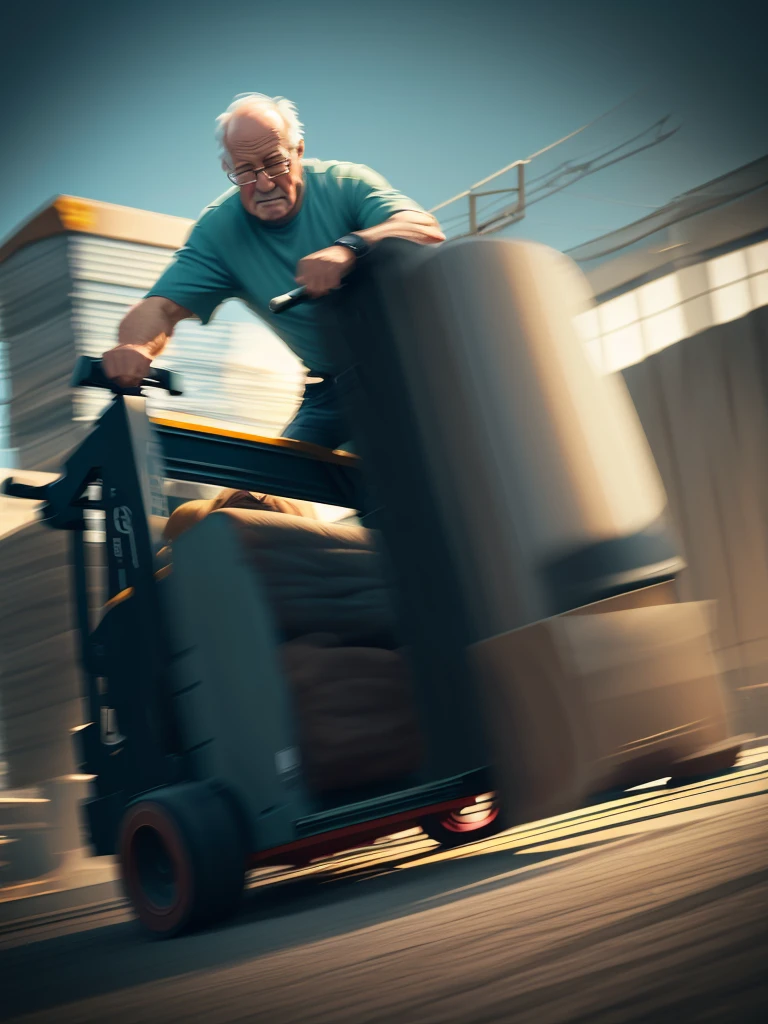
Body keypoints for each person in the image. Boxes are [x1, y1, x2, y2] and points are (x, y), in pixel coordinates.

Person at [102, 92, 445, 449]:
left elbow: (424, 230)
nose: (264, 183)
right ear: (228, 169)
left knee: (410, 476)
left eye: (275, 163)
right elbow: (159, 307)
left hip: (412, 372)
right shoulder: (219, 233)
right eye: (246, 172)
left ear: (298, 151)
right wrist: (133, 345)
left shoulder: (346, 183)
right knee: (268, 495)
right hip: (332, 389)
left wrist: (350, 247)